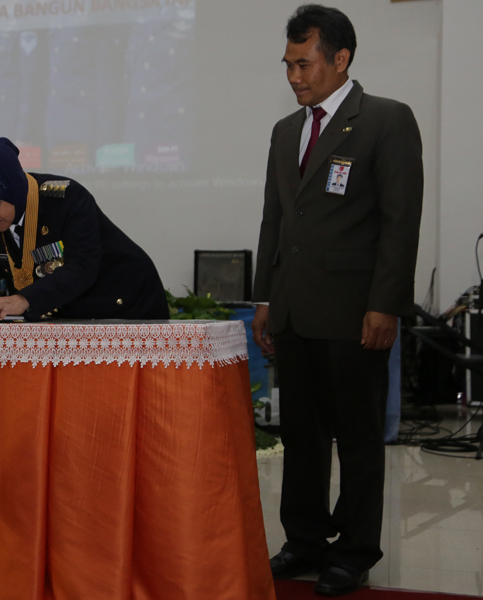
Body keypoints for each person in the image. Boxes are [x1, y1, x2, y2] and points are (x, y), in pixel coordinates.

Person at [252, 5, 423, 596]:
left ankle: (353, 551)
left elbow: (401, 223)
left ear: (340, 58)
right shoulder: (285, 131)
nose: (294, 76)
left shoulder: (385, 120)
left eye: (305, 63)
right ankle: (302, 540)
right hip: (295, 309)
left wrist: (386, 305)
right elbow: (275, 220)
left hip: (355, 313)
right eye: (289, 64)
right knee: (300, 435)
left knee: (355, 437)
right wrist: (265, 300)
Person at [0, 137, 168, 322]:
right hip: (69, 313)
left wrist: (24, 299)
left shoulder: (66, 199)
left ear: (15, 190)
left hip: (127, 303)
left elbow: (82, 268)